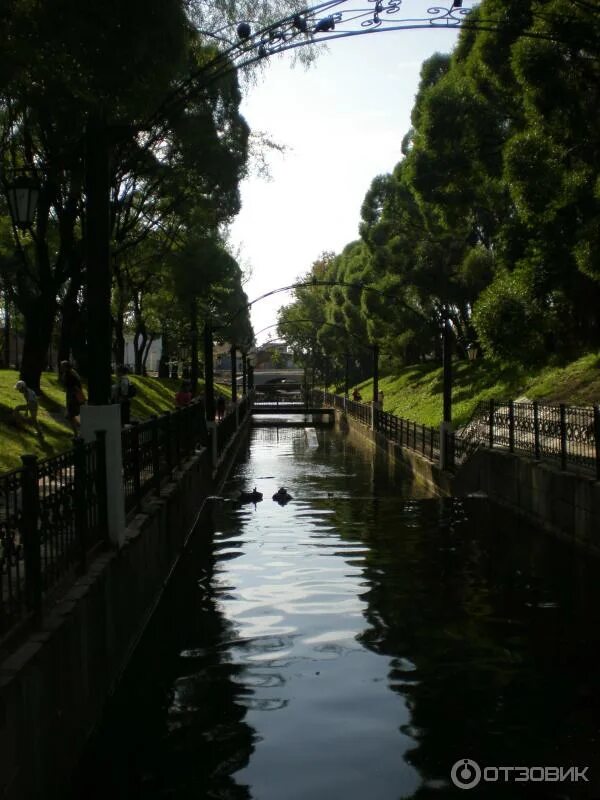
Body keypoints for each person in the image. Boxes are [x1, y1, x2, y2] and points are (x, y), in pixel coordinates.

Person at [59, 360, 85, 433]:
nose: (61, 368)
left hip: (73, 397)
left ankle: (77, 433)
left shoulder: (69, 375)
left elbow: (75, 387)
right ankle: (78, 433)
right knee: (73, 415)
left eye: (62, 366)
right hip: (74, 396)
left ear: (66, 367)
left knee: (71, 416)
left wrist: (74, 396)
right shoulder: (72, 373)